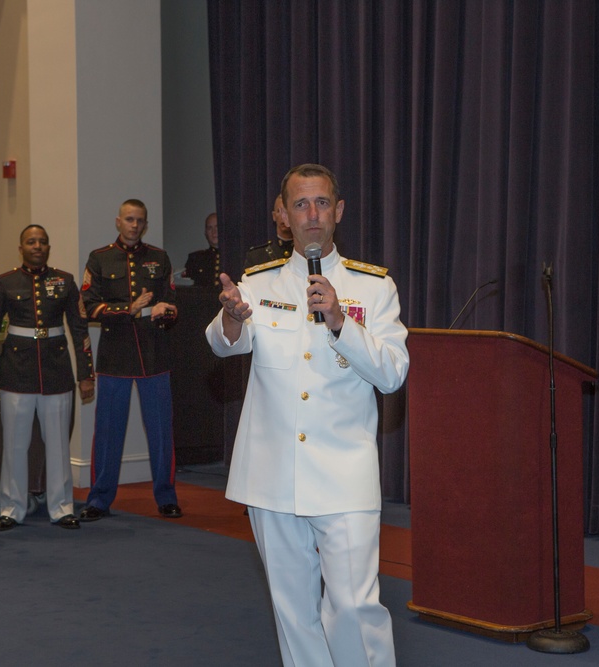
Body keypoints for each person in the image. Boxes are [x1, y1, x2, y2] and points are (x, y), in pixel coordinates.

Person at [206, 164, 409, 666]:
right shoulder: (257, 282)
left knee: (355, 607)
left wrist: (340, 320)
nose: (312, 214)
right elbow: (224, 343)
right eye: (300, 204)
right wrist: (231, 318)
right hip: (272, 474)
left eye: (322, 203)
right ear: (282, 217)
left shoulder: (373, 287)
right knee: (292, 610)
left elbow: (392, 373)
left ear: (338, 213)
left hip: (344, 474)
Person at [0, 224, 94, 531]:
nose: (37, 246)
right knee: (14, 444)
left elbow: (79, 330)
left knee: (57, 444)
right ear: (21, 248)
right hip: (16, 372)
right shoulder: (5, 282)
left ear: (48, 248)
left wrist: (85, 375)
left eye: (42, 242)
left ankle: (61, 507)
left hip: (56, 371)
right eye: (31, 241)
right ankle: (11, 508)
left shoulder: (65, 281)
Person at [78, 199, 182, 521]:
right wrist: (128, 308)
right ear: (118, 222)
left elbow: (172, 302)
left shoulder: (159, 258)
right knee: (108, 431)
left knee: (161, 432)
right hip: (116, 356)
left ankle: (166, 497)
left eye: (140, 221)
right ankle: (99, 499)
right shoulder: (99, 258)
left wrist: (165, 311)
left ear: (145, 225)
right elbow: (87, 305)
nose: (134, 226)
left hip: (153, 355)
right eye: (129, 220)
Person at [243, 195, 293, 268]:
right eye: (279, 211)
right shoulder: (257, 256)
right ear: (274, 216)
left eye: (286, 211)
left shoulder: (306, 253)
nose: (283, 216)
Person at [183, 212, 221, 288]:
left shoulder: (236, 257)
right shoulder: (195, 259)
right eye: (210, 228)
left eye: (217, 227)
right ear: (205, 233)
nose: (214, 232)